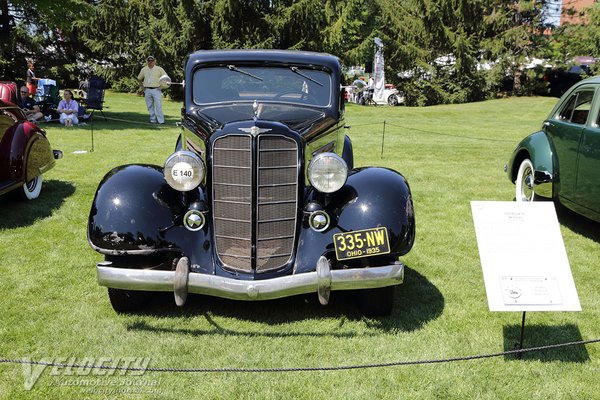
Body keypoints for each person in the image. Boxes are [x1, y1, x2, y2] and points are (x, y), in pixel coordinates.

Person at [137, 56, 167, 124]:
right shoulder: (144, 69)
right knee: (149, 106)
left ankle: (161, 121)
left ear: (154, 61)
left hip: (156, 89)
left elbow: (166, 78)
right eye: (149, 60)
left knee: (158, 105)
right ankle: (152, 120)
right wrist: (142, 87)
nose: (150, 62)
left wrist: (162, 86)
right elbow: (139, 78)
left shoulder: (159, 69)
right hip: (147, 89)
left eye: (152, 60)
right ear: (147, 61)